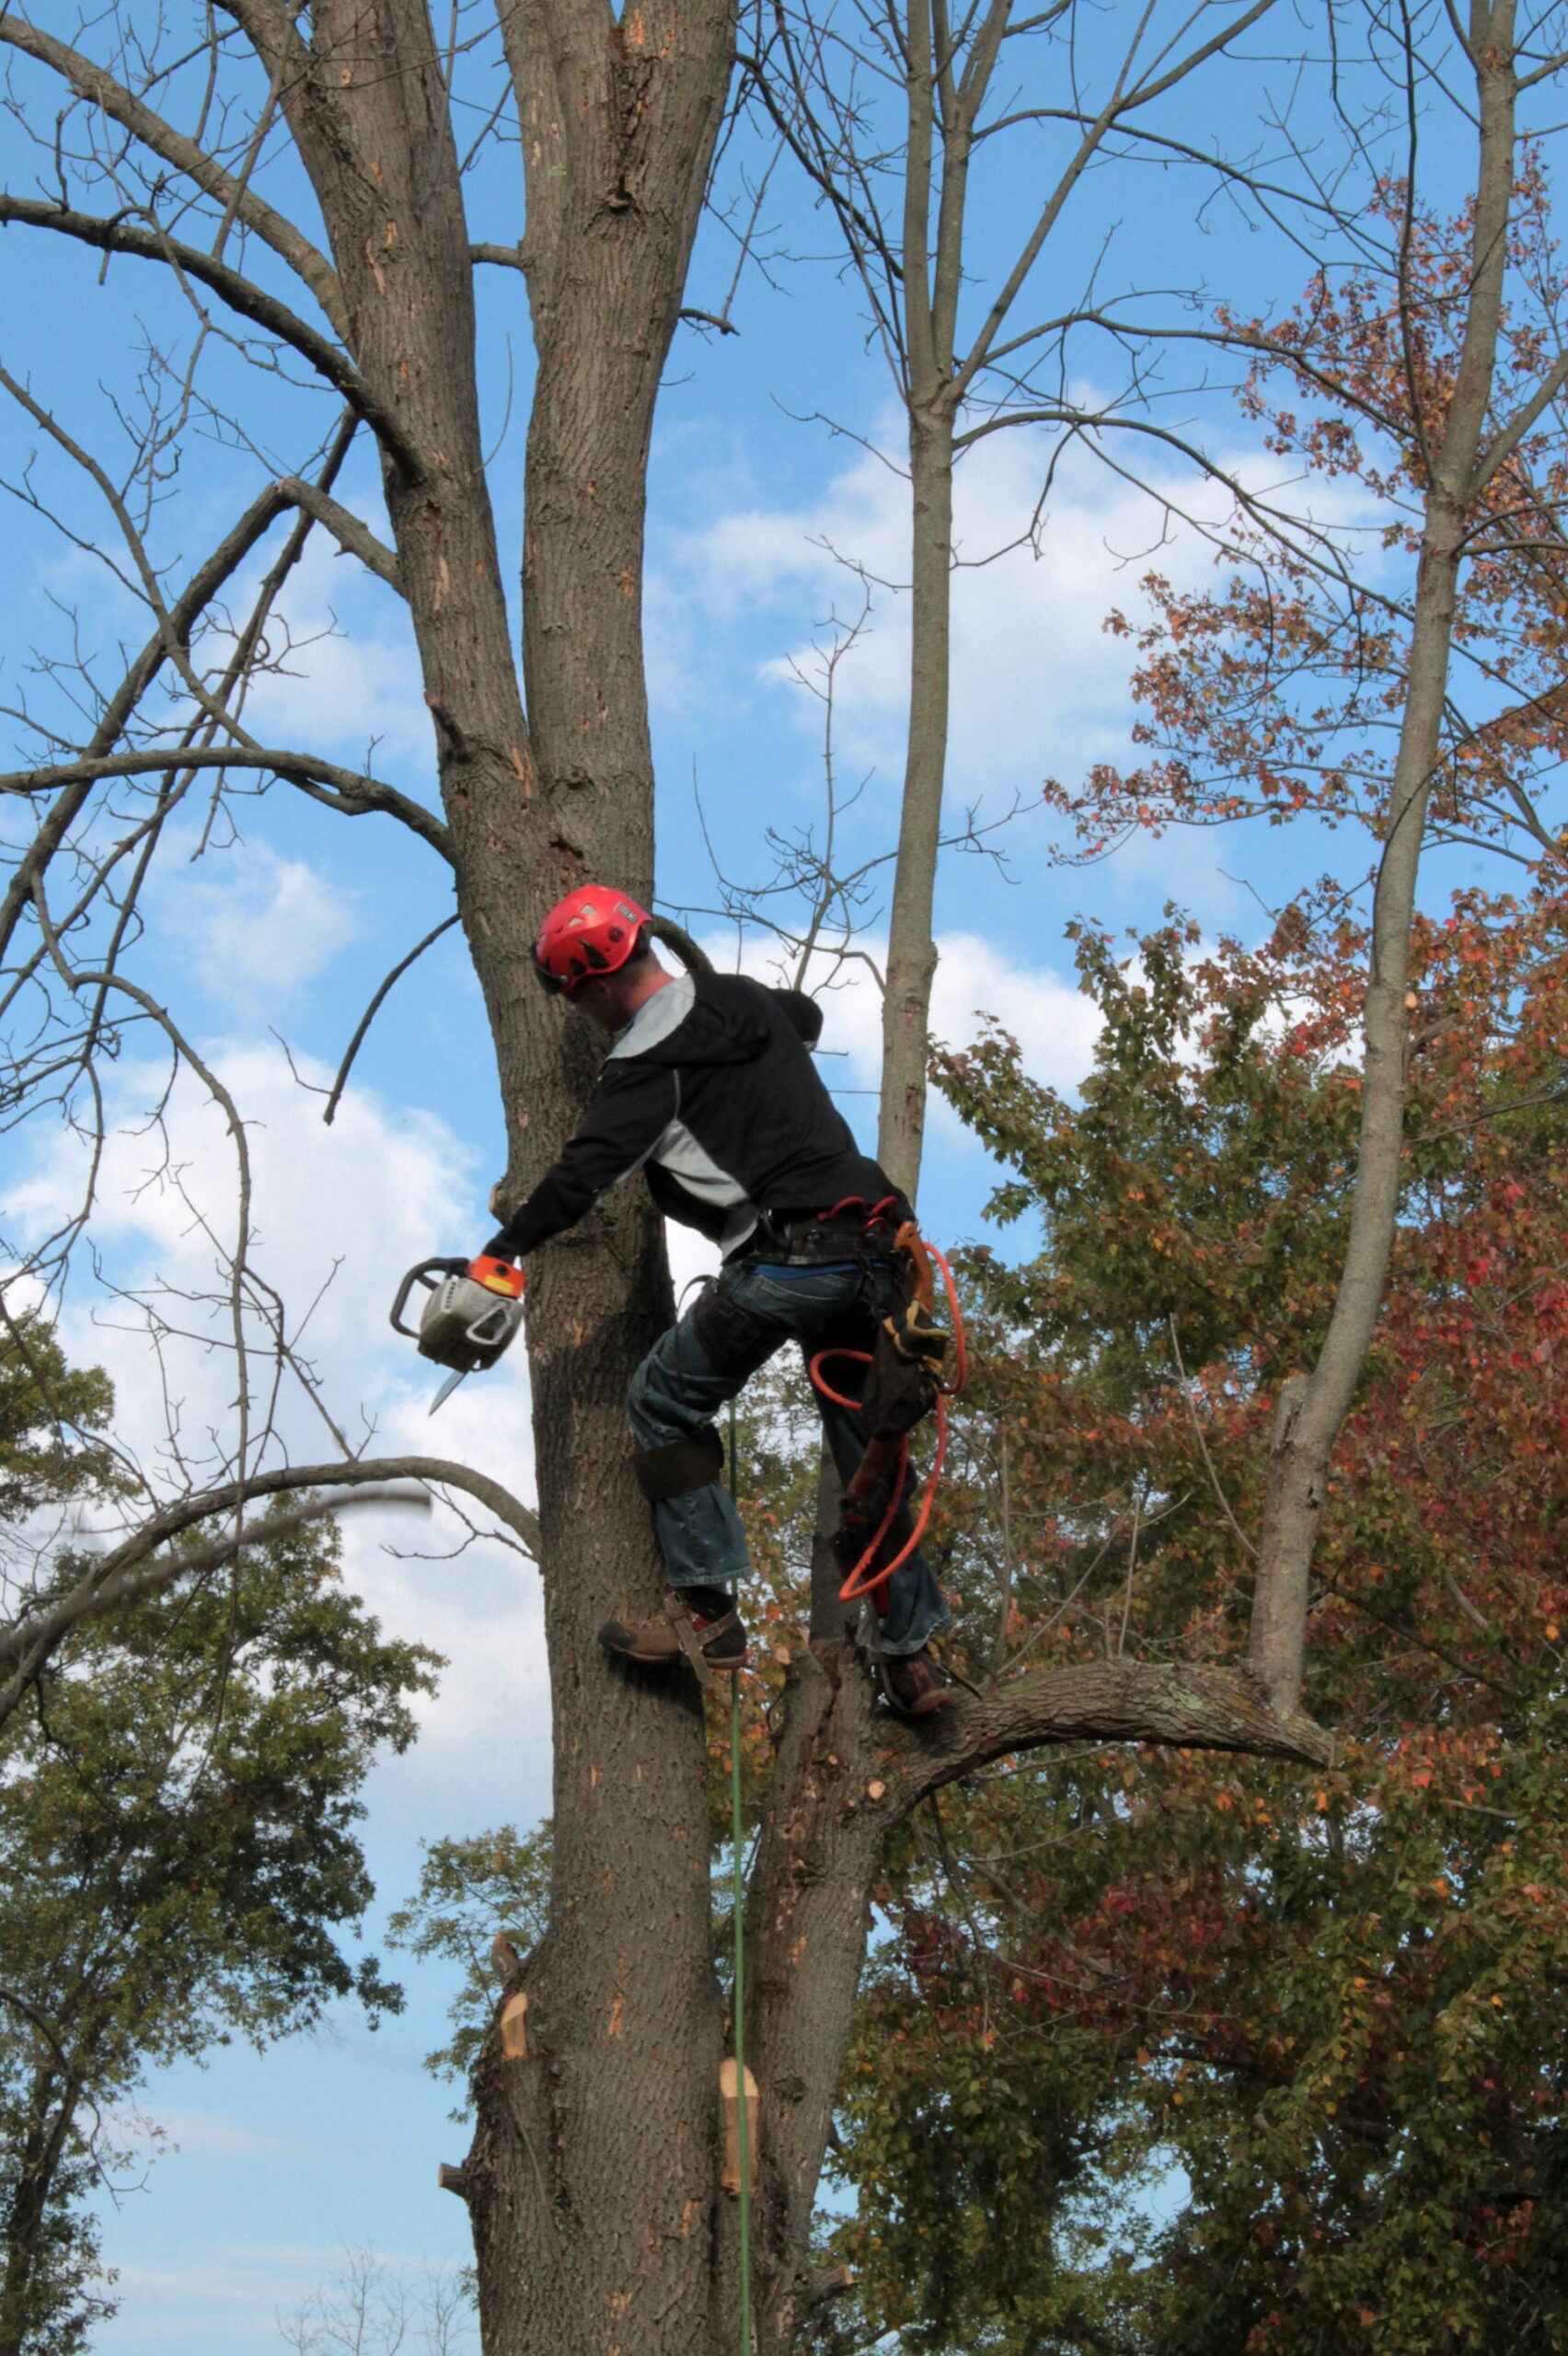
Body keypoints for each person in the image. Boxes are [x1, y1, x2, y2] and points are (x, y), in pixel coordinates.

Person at [481, 885, 952, 1716]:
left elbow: (580, 1177)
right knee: (865, 1452)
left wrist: (502, 1252)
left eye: (577, 999)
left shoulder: (643, 1070)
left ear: (591, 987)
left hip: (792, 1262)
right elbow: (800, 1016)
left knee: (661, 1400)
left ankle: (707, 1617)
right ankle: (913, 1662)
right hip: (882, 1252)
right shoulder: (740, 1000)